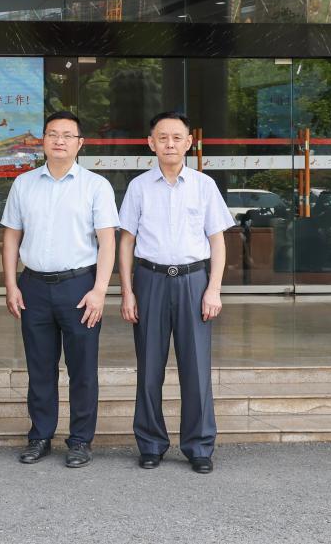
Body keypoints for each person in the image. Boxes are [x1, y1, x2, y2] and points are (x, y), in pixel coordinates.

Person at [118, 110, 234, 474]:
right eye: (162, 137)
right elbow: (126, 242)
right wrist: (127, 291)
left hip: (193, 281)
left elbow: (217, 241)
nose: (170, 143)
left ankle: (199, 446)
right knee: (149, 367)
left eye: (177, 137)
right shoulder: (138, 187)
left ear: (189, 142)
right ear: (151, 143)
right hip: (149, 280)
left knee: (196, 368)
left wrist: (214, 289)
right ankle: (151, 444)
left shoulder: (204, 185)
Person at [1, 110, 118, 468]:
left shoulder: (96, 186)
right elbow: (11, 236)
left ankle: (80, 440)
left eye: (68, 135)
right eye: (52, 134)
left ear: (80, 143)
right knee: (40, 367)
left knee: (82, 369)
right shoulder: (24, 184)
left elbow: (107, 241)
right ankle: (40, 435)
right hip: (33, 286)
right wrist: (11, 284)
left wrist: (100, 290)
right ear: (43, 140)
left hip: (79, 287)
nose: (59, 141)